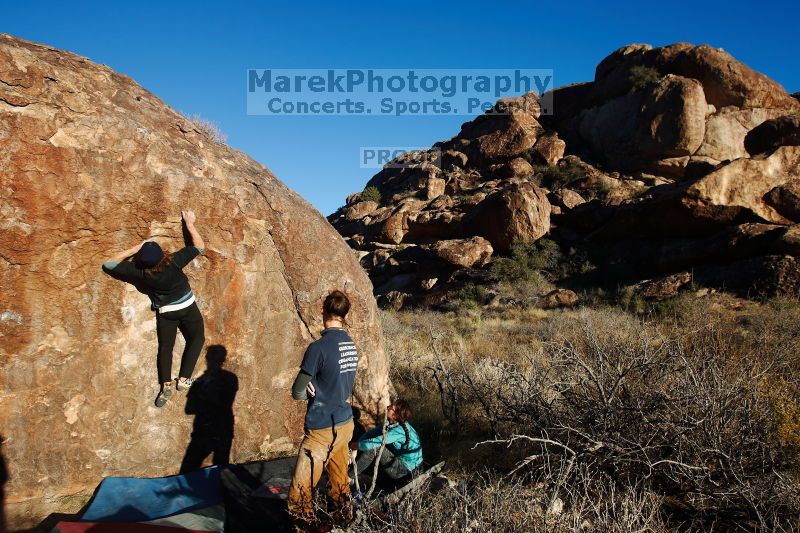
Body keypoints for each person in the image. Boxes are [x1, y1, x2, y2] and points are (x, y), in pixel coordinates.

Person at [101, 210, 206, 407]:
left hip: (166, 312)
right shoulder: (174, 261)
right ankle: (184, 379)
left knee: (166, 348)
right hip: (187, 306)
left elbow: (109, 264)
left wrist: (134, 249)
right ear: (162, 254)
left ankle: (165, 384)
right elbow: (199, 247)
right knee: (197, 338)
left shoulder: (139, 272)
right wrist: (190, 224)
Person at [287, 290, 359, 528]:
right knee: (340, 486)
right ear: (345, 315)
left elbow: (297, 391)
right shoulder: (351, 346)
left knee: (300, 495)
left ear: (323, 312)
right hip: (345, 424)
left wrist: (309, 390)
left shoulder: (318, 348)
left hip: (321, 429)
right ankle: (346, 525)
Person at [351, 399, 422, 482]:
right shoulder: (392, 423)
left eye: (391, 407)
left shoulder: (398, 431)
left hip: (406, 471)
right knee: (370, 442)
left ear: (395, 415)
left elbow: (374, 443)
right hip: (401, 463)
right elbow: (371, 433)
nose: (388, 407)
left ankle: (349, 477)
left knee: (376, 447)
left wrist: (353, 446)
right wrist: (357, 445)